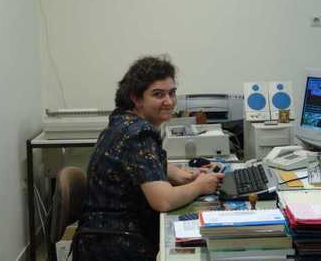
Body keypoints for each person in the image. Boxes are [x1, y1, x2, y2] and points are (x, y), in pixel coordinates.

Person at [75, 55, 224, 261]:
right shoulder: (139, 133)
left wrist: (182, 175)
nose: (169, 101)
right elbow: (163, 201)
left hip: (97, 239)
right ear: (136, 98)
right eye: (158, 94)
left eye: (172, 93)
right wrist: (200, 186)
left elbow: (142, 164)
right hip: (118, 245)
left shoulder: (121, 122)